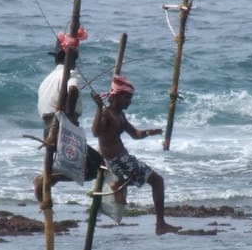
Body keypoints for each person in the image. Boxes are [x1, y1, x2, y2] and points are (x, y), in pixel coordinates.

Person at [91, 74, 181, 235]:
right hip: (118, 161)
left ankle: (120, 183)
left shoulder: (120, 116)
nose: (129, 102)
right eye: (127, 98)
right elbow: (96, 132)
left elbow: (135, 134)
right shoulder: (106, 114)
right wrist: (98, 107)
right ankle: (160, 224)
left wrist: (149, 132)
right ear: (117, 96)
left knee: (152, 179)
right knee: (157, 181)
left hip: (124, 160)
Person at [33, 30, 103, 202]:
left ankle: (50, 178)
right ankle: (48, 178)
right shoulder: (71, 74)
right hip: (63, 127)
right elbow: (72, 90)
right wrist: (70, 116)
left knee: (89, 163)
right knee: (96, 167)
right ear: (71, 57)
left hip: (48, 128)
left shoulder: (47, 80)